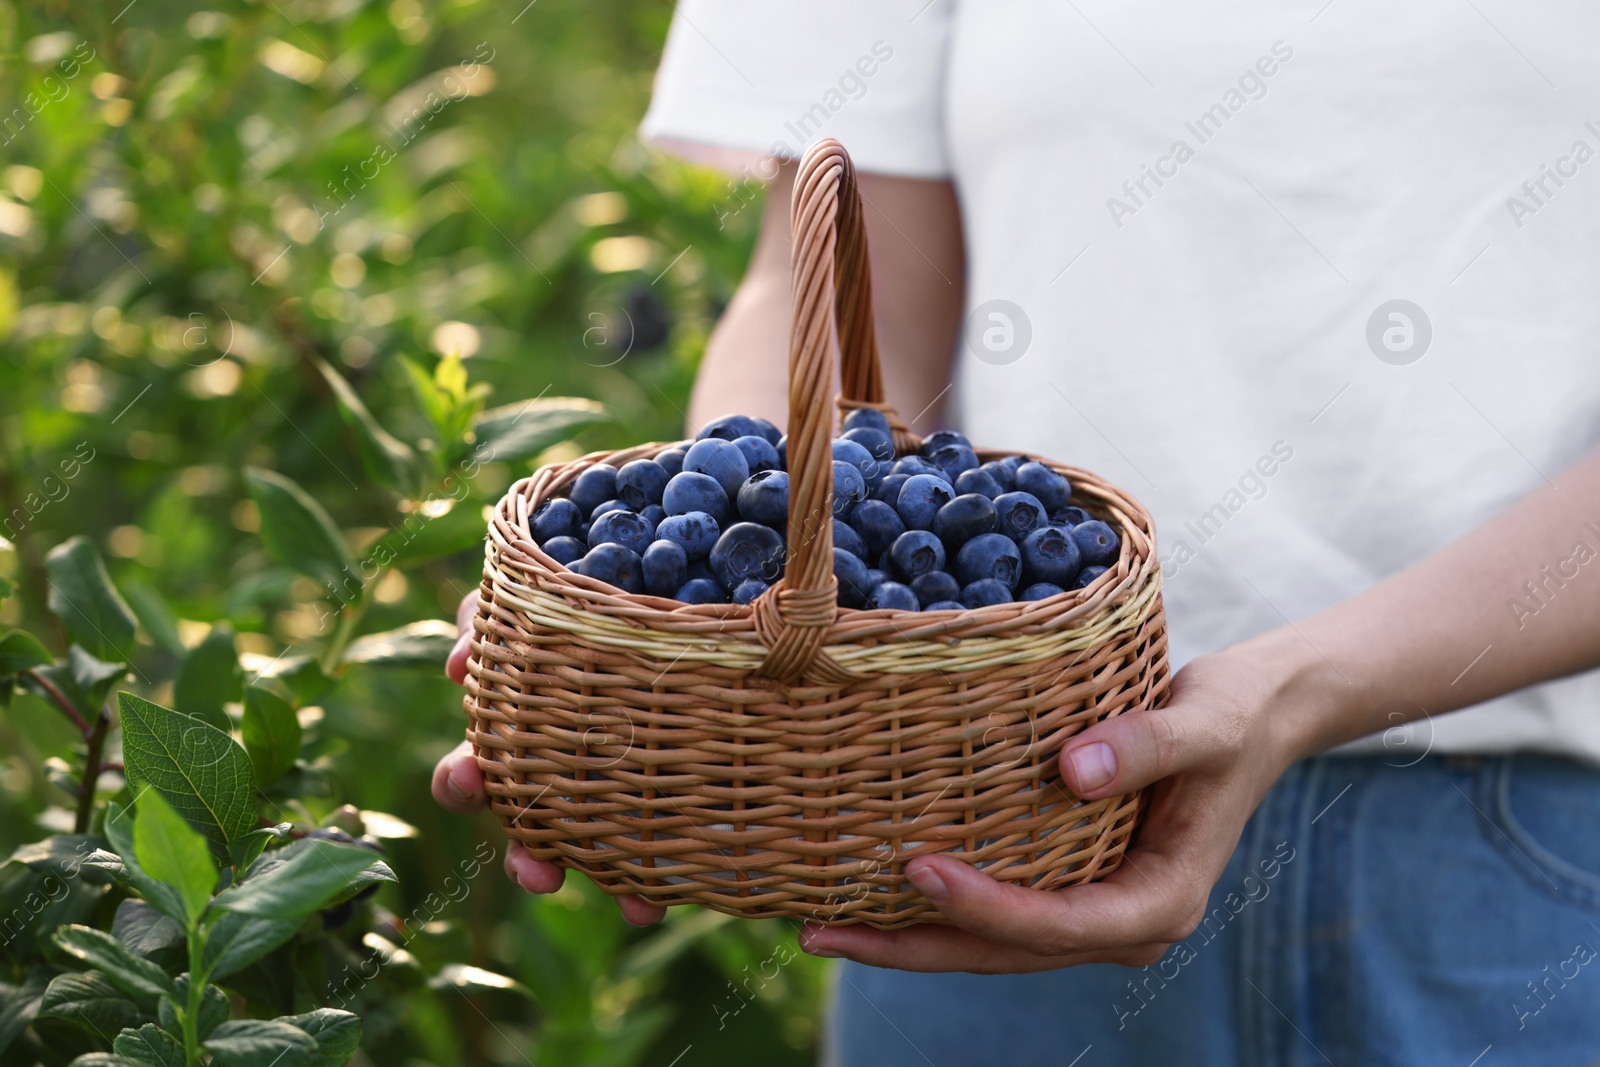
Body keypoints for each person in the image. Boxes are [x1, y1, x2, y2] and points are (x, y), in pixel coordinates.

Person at [433, 2, 1600, 1063]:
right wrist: (695, 620)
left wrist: (1294, 688)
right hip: (987, 807)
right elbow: (829, 277)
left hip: (1532, 859)